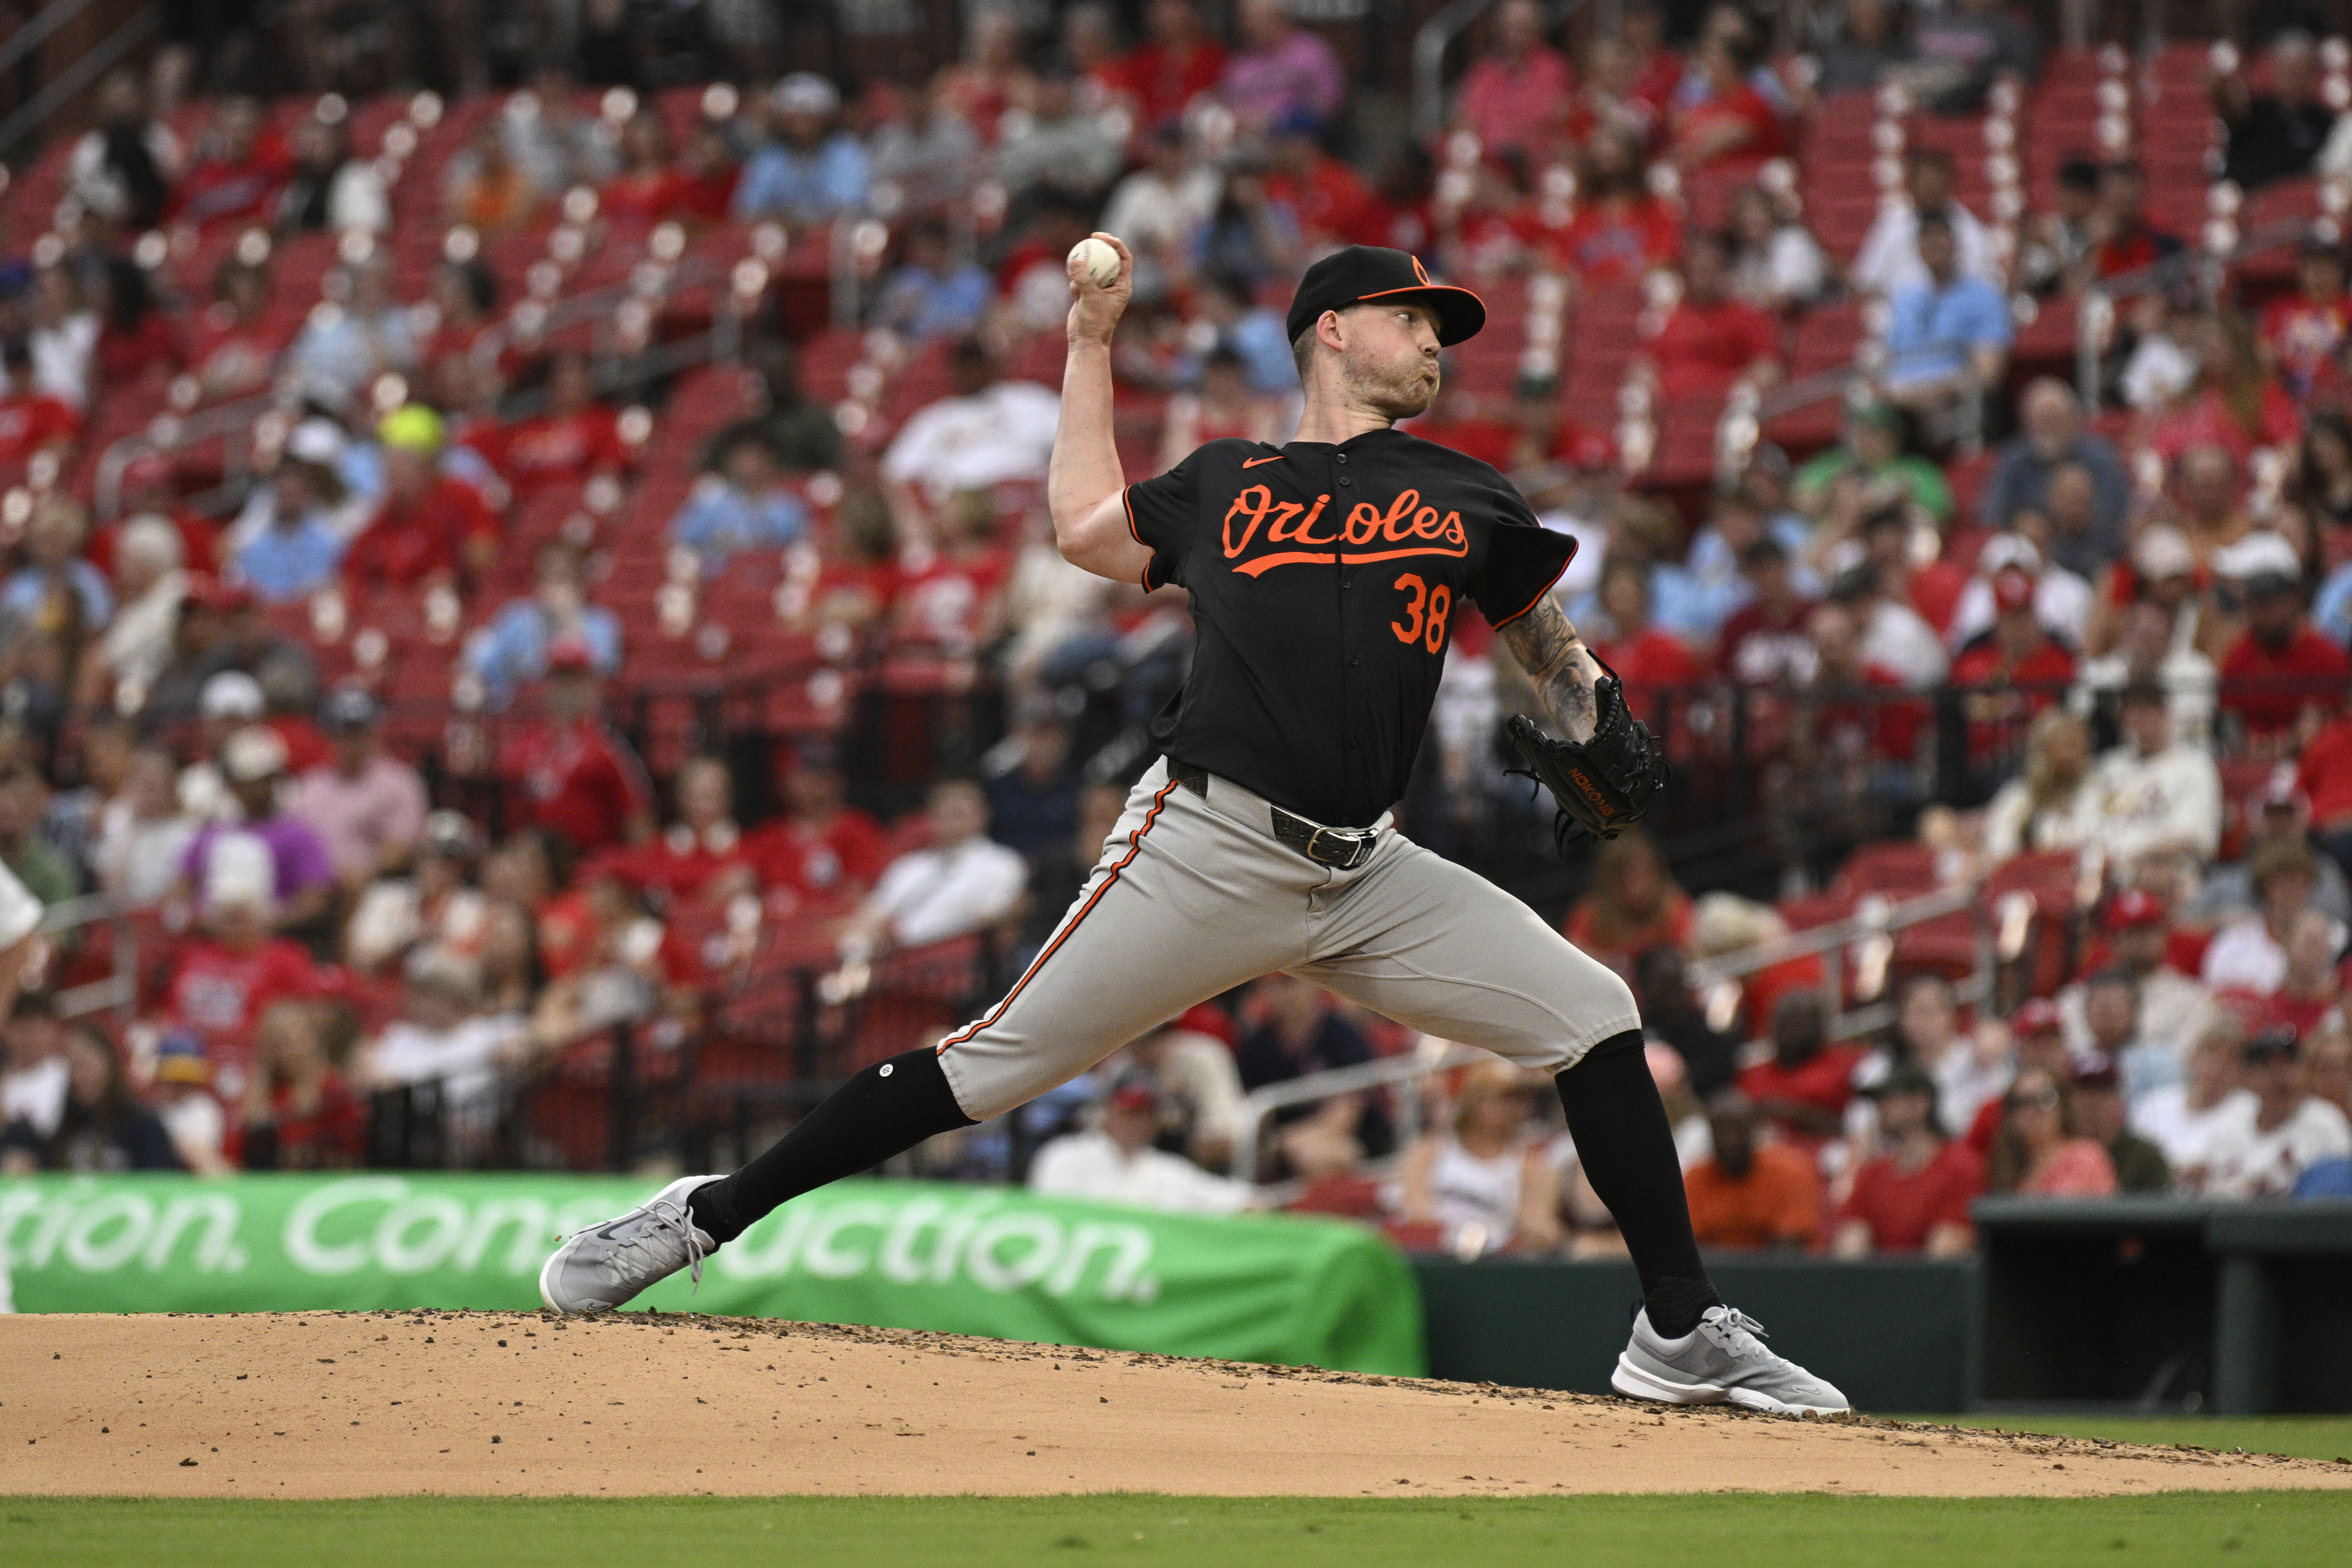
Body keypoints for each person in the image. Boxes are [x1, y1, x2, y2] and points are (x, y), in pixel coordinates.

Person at [541, 236, 1849, 1414]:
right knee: (987, 1065)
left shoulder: (1464, 494)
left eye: (1444, 330)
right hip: (1205, 844)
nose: (1437, 344)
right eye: (1414, 319)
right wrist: (1089, 345)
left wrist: (1589, 712)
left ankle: (1677, 1332)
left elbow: (1540, 642)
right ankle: (701, 1218)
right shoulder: (1227, 481)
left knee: (1595, 1012)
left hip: (1368, 871)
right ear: (1333, 329)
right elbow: (1076, 531)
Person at [490, 639, 655, 857]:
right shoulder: (522, 743)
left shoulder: (608, 746)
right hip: (530, 865)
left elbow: (638, 818)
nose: (566, 690)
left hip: (588, 861)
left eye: (575, 681)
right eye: (560, 680)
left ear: (592, 687)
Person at [839, 779, 1027, 958]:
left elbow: (993, 922)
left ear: (982, 815)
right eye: (943, 813)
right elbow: (872, 916)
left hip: (959, 963)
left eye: (958, 813)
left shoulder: (1004, 864)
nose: (951, 821)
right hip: (897, 962)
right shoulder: (908, 867)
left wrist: (912, 942)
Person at [177, 728, 336, 935]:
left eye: (266, 779)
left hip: (272, 942)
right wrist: (204, 920)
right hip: (209, 939)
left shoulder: (299, 834)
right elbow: (180, 887)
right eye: (251, 780)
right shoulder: (212, 831)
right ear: (234, 785)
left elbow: (314, 900)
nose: (260, 787)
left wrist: (262, 925)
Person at [1395, 1062, 1564, 1255]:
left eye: (1521, 1099)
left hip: (1496, 1260)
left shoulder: (1532, 1165)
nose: (1514, 1108)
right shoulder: (1429, 1152)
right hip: (1433, 1253)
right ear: (1475, 1101)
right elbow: (1417, 1213)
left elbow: (1538, 1225)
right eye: (1503, 1099)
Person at [1028, 1073, 1254, 1212]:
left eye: (1145, 1115)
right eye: (1129, 1113)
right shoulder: (1064, 1155)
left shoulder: (1167, 1170)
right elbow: (1051, 1215)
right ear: (1107, 1114)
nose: (1136, 1123)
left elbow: (1233, 1200)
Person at [284, 687, 428, 893]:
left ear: (375, 732)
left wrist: (358, 873)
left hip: (377, 889)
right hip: (315, 891)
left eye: (358, 732)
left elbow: (400, 851)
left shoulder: (400, 782)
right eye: (343, 733)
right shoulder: (310, 785)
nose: (351, 742)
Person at [2216, 531, 2351, 747]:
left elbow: (2325, 737)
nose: (2262, 615)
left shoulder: (2327, 658)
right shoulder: (2239, 656)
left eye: (2270, 605)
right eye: (2254, 606)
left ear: (2294, 599)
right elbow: (2231, 731)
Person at [1831, 1067, 1983, 1257]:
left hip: (1930, 1282)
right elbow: (1850, 1243)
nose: (1880, 1108)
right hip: (1881, 1282)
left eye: (1890, 1099)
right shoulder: (1873, 1173)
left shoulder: (1961, 1167)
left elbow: (1946, 1251)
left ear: (1921, 1104)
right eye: (1878, 1102)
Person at [2187, 1027, 2352, 1197]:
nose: (2280, 1076)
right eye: (2268, 1066)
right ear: (2248, 1076)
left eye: (2289, 1064)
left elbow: (2339, 1188)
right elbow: (2210, 1188)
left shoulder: (2325, 1121)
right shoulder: (2232, 1122)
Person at [0, 1026, 180, 1173]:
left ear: (109, 1065)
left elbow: (161, 1187)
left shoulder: (144, 1126)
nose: (80, 1077)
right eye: (74, 1067)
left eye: (87, 1066)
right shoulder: (69, 1127)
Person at [1882, 213, 2012, 416]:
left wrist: (1929, 391)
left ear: (1955, 245)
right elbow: (1890, 362)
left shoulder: (1984, 297)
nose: (1934, 245)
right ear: (1919, 249)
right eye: (1927, 238)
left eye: (1940, 237)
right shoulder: (1906, 300)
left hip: (1953, 403)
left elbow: (1987, 375)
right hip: (1900, 404)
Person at [467, 541, 624, 707]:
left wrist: (568, 625)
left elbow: (606, 671)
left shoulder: (602, 624)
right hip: (522, 714)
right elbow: (486, 667)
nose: (552, 590)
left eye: (562, 580)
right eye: (546, 580)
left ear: (581, 585)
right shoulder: (517, 619)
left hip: (580, 714)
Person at [1641, 232, 1781, 401]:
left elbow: (1768, 367)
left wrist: (1746, 389)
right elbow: (1647, 362)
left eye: (1708, 269)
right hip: (1671, 409)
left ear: (1722, 271)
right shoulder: (1670, 316)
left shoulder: (1745, 316)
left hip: (1721, 406)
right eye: (1696, 269)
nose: (1701, 277)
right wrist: (1644, 385)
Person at [1681, 1091, 1823, 1250]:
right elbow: (1689, 1243)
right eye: (1721, 1132)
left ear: (1752, 1130)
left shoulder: (1789, 1171)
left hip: (1775, 1271)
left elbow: (1793, 1243)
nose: (1729, 1141)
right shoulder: (1697, 1177)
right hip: (1716, 1272)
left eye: (1737, 1130)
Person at [1850, 148, 1995, 299]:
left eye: (1936, 182)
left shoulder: (1970, 230)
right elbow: (1866, 282)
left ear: (1949, 184)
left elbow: (1984, 286)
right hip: (1900, 311)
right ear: (1910, 185)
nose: (1930, 188)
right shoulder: (1892, 224)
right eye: (1924, 181)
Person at [1737, 990, 1869, 1155]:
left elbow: (1854, 1126)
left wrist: (1795, 1113)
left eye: (1798, 1024)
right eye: (1783, 1023)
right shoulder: (1753, 1074)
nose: (1789, 1032)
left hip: (1832, 1154)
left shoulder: (1849, 1064)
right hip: (1767, 1158)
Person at [667, 432, 809, 576]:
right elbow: (679, 542)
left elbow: (804, 548)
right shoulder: (711, 503)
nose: (747, 463)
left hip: (771, 584)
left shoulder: (788, 507)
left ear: (768, 461)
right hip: (717, 586)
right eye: (742, 457)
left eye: (754, 456)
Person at [732, 74, 868, 222]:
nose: (801, 124)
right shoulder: (770, 157)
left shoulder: (846, 152)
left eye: (809, 115)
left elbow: (847, 209)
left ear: (827, 117)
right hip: (778, 239)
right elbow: (746, 210)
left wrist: (795, 219)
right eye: (793, 117)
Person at [1563, 826, 1693, 978]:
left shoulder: (1674, 907)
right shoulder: (1589, 916)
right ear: (1609, 880)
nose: (1638, 887)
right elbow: (1570, 961)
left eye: (1645, 874)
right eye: (1627, 876)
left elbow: (1690, 957)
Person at [2215, 31, 2337, 192]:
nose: (2295, 81)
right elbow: (2230, 109)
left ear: (2314, 75)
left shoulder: (2327, 122)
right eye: (2290, 72)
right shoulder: (2253, 114)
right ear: (2276, 71)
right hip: (2255, 205)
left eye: (2302, 73)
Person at [1451, 0, 1571, 159]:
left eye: (1523, 26)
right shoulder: (1483, 72)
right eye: (1510, 26)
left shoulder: (1555, 68)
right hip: (1491, 163)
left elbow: (1564, 118)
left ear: (1537, 28)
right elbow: (1466, 118)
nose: (1515, 33)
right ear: (1499, 28)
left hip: (1537, 162)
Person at [2132, 1018, 2255, 1172]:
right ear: (2193, 1058)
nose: (2218, 1068)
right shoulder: (2154, 1103)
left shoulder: (2249, 1110)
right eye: (2211, 1057)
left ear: (2242, 1071)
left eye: (2229, 1062)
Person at [1983, 706, 2098, 861]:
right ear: (2045, 750)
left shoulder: (2098, 789)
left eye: (2082, 743)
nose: (2078, 752)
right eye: (2069, 744)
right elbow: (2000, 846)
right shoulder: (2021, 796)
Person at [1218, 0, 1344, 136]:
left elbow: (1330, 106)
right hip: (1248, 141)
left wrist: (1279, 121)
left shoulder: (1312, 52)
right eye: (1246, 20)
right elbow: (1228, 109)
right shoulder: (1240, 64)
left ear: (1279, 17)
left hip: (1300, 138)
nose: (1249, 26)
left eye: (1256, 19)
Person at [1986, 1066, 2118, 1196]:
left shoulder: (2087, 1157)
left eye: (2045, 1098)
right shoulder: (2008, 1171)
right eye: (2020, 1102)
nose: (2032, 1111)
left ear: (2062, 1107)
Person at [2069, 1064, 2171, 1193]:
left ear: (2121, 1102)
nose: (2094, 1103)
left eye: (2104, 1093)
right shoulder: (2054, 1150)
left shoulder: (2145, 1158)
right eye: (2085, 1093)